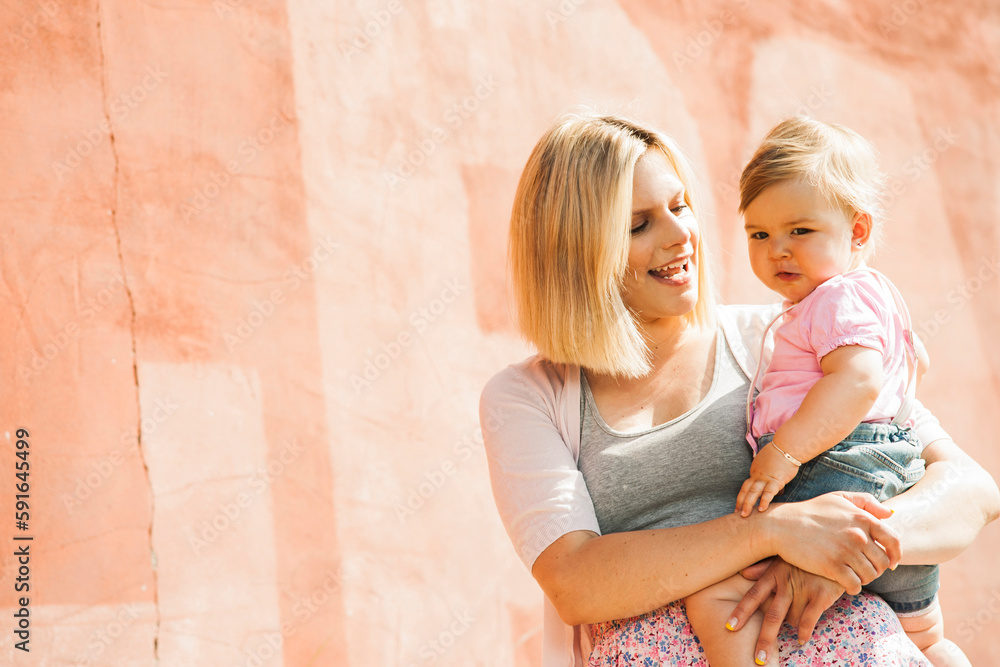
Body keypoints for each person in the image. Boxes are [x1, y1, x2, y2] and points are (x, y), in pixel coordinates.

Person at [479, 111, 1000, 666]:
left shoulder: (782, 337)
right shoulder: (528, 397)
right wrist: (771, 533)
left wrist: (842, 547)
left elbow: (971, 491)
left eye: (680, 206)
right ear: (573, 252)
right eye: (638, 225)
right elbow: (574, 583)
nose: (680, 235)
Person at [683, 117, 969, 667]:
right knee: (925, 639)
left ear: (857, 231)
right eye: (759, 235)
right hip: (893, 488)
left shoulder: (835, 299)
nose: (778, 251)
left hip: (835, 474)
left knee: (717, 593)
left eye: (800, 231)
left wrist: (784, 454)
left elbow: (857, 381)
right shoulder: (876, 296)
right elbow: (914, 366)